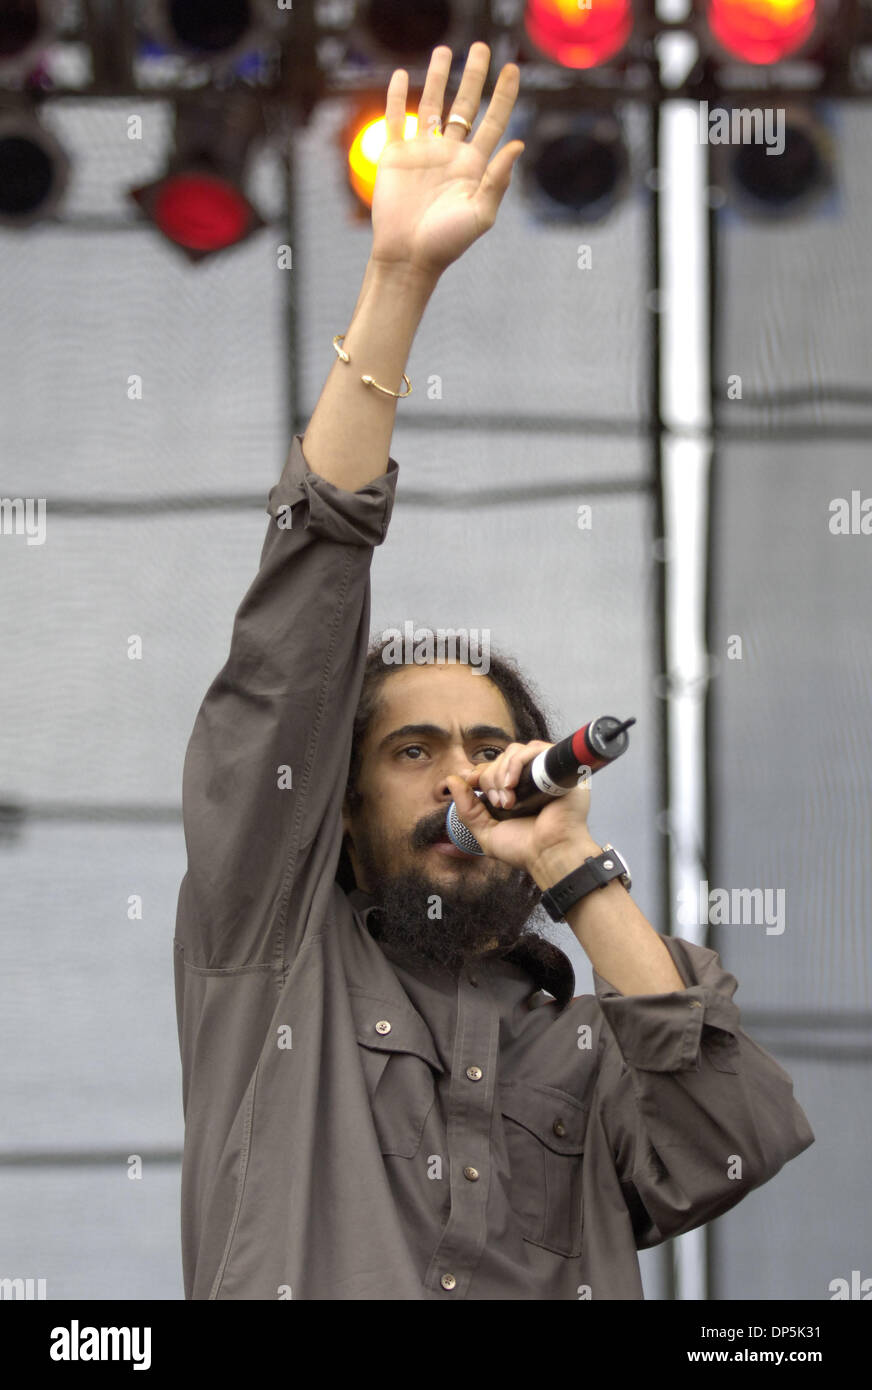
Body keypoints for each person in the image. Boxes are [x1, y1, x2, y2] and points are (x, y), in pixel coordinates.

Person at [173, 42, 814, 1300]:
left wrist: (574, 863)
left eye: (485, 745)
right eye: (411, 750)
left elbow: (729, 1135)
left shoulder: (585, 1043)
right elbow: (297, 624)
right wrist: (399, 276)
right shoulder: (270, 950)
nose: (464, 775)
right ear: (339, 810)